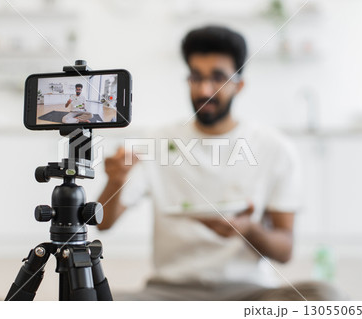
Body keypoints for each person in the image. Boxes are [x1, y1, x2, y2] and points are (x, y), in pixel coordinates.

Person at [97, 25, 338, 301]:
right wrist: (115, 180)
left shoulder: (274, 147)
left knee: (324, 297)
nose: (204, 90)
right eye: (195, 77)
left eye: (218, 78)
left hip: (249, 292)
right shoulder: (156, 141)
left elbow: (284, 250)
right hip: (167, 293)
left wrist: (247, 229)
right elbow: (103, 223)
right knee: (91, 304)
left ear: (239, 85)